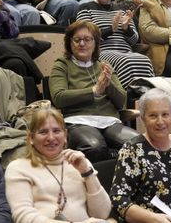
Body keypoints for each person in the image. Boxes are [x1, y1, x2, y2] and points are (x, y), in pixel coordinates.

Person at [110, 88, 171, 222]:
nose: (160, 121)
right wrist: (153, 218)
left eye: (165, 114)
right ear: (143, 119)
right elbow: (118, 199)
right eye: (153, 116)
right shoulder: (132, 150)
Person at [49, 20, 138, 163]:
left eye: (87, 39)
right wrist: (94, 91)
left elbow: (121, 101)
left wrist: (108, 85)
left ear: (95, 43)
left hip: (110, 121)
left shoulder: (104, 66)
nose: (82, 44)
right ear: (69, 43)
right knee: (95, 147)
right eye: (77, 40)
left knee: (137, 144)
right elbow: (59, 97)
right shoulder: (62, 65)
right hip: (78, 121)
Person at [5, 107, 111, 222]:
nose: (51, 138)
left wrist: (87, 172)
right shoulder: (18, 168)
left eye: (56, 131)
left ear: (65, 135)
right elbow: (23, 217)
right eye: (43, 132)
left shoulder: (79, 162)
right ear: (31, 138)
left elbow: (102, 214)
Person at [77, 0, 154, 89]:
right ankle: (126, 98)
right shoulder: (86, 8)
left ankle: (143, 97)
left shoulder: (122, 9)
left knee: (144, 60)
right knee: (125, 61)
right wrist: (110, 29)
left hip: (126, 51)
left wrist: (126, 28)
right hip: (101, 53)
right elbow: (84, 39)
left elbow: (134, 40)